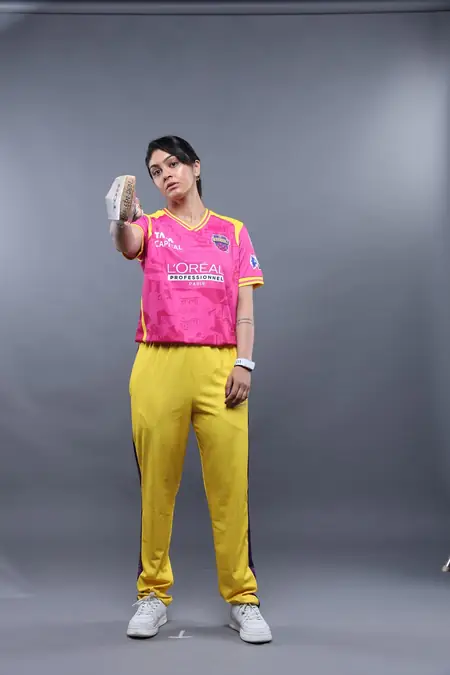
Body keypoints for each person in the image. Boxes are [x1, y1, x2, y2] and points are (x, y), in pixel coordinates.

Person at [105, 135, 272, 644]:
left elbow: (245, 310)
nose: (166, 175)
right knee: (156, 486)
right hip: (159, 363)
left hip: (221, 367)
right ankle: (152, 594)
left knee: (230, 487)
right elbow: (126, 243)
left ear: (196, 167)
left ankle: (243, 599)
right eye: (156, 171)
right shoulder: (151, 226)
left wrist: (244, 362)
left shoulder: (232, 231)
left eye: (174, 164)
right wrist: (119, 217)